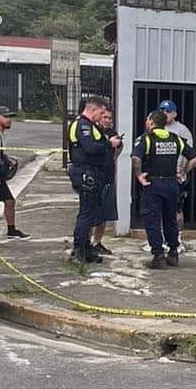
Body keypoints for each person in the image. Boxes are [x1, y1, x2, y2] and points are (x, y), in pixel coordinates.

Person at [67, 95, 120, 265]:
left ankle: (86, 247)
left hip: (94, 174)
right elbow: (90, 148)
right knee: (86, 213)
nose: (102, 116)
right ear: (94, 110)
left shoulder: (91, 126)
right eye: (101, 113)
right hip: (85, 172)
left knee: (92, 212)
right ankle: (79, 250)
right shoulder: (82, 125)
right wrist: (109, 144)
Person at [132, 108, 187, 269]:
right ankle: (173, 253)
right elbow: (194, 157)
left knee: (152, 220)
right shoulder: (176, 138)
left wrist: (139, 175)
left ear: (150, 122)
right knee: (170, 220)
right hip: (171, 184)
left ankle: (158, 256)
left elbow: (136, 157)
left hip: (153, 185)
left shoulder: (147, 139)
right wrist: (183, 172)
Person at [158, 99, 196, 248]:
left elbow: (193, 156)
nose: (164, 113)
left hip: (176, 176)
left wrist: (183, 171)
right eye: (161, 110)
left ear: (174, 114)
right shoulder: (156, 128)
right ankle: (162, 239)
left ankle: (177, 238)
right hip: (159, 177)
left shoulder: (181, 130)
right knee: (160, 209)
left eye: (167, 111)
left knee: (176, 208)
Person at [90, 103, 122, 260]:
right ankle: (86, 243)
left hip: (108, 177)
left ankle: (97, 242)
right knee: (91, 213)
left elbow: (119, 148)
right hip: (95, 177)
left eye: (110, 118)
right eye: (105, 117)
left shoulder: (113, 133)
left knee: (104, 214)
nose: (108, 120)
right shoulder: (93, 132)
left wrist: (115, 156)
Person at [0, 106, 29, 240]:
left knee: (9, 201)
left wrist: (8, 161)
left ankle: (11, 230)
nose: (9, 120)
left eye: (10, 117)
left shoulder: (0, 134)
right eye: (5, 116)